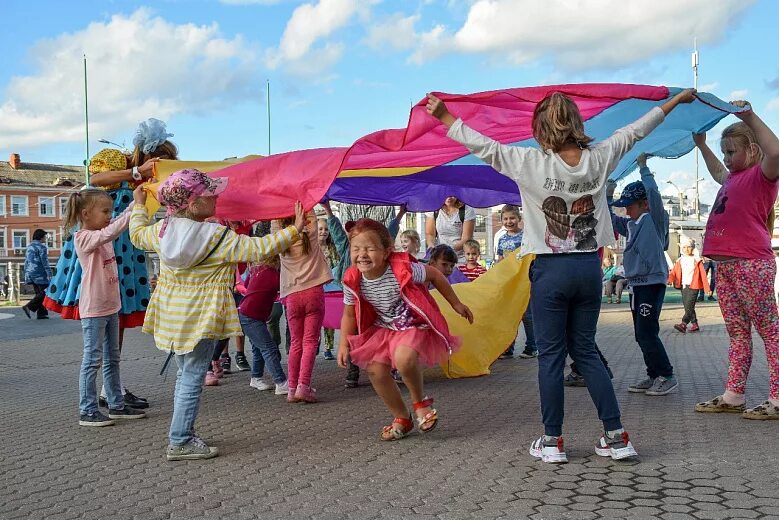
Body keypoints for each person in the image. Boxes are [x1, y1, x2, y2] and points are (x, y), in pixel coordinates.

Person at [427, 87, 696, 462]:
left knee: (550, 356)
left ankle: (552, 441)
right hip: (588, 268)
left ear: (539, 128)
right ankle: (616, 437)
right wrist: (672, 102)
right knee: (584, 350)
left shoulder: (529, 163)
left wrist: (444, 117)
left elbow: (485, 147)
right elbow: (636, 131)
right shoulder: (599, 158)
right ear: (578, 123)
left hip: (551, 271)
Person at [129, 169, 305, 460]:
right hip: (202, 315)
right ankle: (180, 439)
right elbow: (260, 249)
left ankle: (180, 433)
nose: (217, 196)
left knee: (186, 373)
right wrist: (294, 230)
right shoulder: (217, 236)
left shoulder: (161, 231)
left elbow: (136, 235)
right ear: (193, 202)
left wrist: (138, 206)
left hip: (174, 314)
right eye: (210, 193)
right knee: (192, 376)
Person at [46, 119, 178, 409]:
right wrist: (135, 172)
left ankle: (111, 388)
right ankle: (104, 393)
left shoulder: (150, 183)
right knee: (103, 324)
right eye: (158, 161)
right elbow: (95, 180)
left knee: (117, 319)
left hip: (126, 250)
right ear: (146, 156)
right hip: (100, 246)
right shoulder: (118, 161)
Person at [336, 218, 473, 440]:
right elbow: (349, 313)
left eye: (370, 249)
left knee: (404, 358)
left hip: (412, 323)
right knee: (375, 371)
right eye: (356, 249)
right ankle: (402, 417)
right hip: (384, 328)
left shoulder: (403, 268)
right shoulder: (352, 279)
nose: (362, 255)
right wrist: (343, 343)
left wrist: (456, 304)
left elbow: (435, 275)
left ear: (387, 251)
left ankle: (420, 403)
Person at [692, 100, 779, 420]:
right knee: (738, 333)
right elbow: (716, 170)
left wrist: (750, 117)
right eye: (724, 152)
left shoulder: (763, 175)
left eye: (732, 152)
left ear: (752, 150)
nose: (727, 159)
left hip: (750, 264)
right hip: (726, 267)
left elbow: (777, 152)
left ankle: (778, 397)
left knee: (771, 331)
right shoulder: (731, 178)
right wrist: (702, 146)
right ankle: (734, 395)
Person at [63, 188, 146, 426]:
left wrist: (134, 205)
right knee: (92, 360)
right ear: (86, 213)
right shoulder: (84, 237)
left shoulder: (101, 232)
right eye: (105, 211)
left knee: (113, 358)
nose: (110, 215)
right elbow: (112, 231)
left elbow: (116, 224)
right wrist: (134, 211)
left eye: (111, 211)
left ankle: (116, 405)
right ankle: (87, 410)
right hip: (94, 310)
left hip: (111, 306)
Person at [608, 154, 677, 397]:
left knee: (647, 332)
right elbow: (609, 217)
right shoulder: (630, 224)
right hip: (635, 286)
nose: (627, 209)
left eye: (631, 205)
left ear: (645, 203)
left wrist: (643, 167)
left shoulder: (654, 219)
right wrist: (608, 193)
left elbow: (655, 196)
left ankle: (666, 375)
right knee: (640, 333)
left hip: (652, 283)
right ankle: (653, 375)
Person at [321, 201, 405, 388]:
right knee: (353, 331)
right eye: (354, 240)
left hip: (374, 299)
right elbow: (336, 231)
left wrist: (399, 216)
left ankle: (390, 366)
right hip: (355, 299)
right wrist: (327, 210)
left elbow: (388, 236)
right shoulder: (346, 250)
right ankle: (353, 369)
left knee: (382, 330)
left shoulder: (376, 253)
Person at [278, 208, 333, 403]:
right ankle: (304, 386)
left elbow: (276, 222)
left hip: (292, 296)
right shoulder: (311, 235)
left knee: (296, 342)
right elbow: (310, 215)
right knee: (310, 341)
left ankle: (292, 389)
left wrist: (280, 208)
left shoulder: (281, 240)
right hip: (313, 293)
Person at [238, 255, 289, 395]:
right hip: (251, 317)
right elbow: (287, 288)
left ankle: (256, 377)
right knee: (268, 348)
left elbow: (247, 287)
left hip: (248, 313)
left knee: (258, 348)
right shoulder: (274, 275)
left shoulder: (257, 269)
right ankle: (281, 382)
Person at [494, 204, 536, 359]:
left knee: (527, 315)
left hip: (524, 282)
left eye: (512, 218)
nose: (509, 221)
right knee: (509, 315)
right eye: (505, 218)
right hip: (509, 283)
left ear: (519, 219)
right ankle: (508, 348)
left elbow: (530, 259)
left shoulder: (526, 238)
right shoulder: (502, 239)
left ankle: (532, 347)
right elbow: (500, 260)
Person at [669, 237, 710, 333]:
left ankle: (683, 324)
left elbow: (703, 275)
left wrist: (707, 287)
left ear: (693, 248)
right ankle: (695, 324)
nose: (686, 249)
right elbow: (674, 272)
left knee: (689, 305)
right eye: (684, 247)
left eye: (689, 247)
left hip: (694, 286)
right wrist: (669, 279)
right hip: (683, 286)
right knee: (688, 306)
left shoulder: (697, 260)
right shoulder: (679, 260)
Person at [425, 197, 476, 263]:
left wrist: (448, 251)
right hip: (440, 257)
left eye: (452, 195)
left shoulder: (467, 210)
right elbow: (430, 234)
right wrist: (431, 245)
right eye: (446, 195)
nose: (449, 198)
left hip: (461, 258)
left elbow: (466, 238)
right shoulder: (434, 209)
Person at [318, 217, 340, 360]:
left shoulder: (332, 248)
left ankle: (328, 347)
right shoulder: (311, 246)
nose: (323, 232)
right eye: (320, 229)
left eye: (326, 229)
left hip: (329, 285)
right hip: (314, 285)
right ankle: (314, 345)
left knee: (328, 317)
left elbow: (337, 264)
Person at [22, 229, 52, 320]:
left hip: (30, 272)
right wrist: (49, 273)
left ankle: (42, 314)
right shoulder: (42, 247)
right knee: (45, 292)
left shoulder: (29, 246)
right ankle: (29, 306)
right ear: (41, 237)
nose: (45, 239)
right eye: (44, 237)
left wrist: (26, 273)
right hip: (39, 273)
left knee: (39, 293)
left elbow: (26, 261)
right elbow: (44, 262)